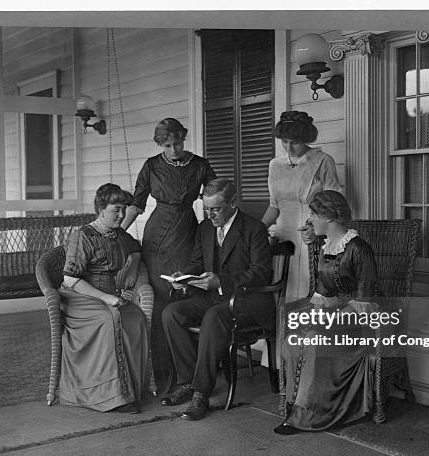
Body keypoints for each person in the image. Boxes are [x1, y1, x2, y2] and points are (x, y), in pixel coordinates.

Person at [160, 178, 275, 421]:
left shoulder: (253, 229)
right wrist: (184, 276)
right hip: (215, 298)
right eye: (206, 209)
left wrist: (222, 281)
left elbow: (261, 272)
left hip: (248, 302)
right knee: (172, 313)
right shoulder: (204, 228)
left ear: (233, 203)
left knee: (214, 317)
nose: (210, 215)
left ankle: (202, 394)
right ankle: (188, 382)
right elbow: (198, 263)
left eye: (216, 209)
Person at [275, 190, 379, 435]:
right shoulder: (327, 248)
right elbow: (322, 295)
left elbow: (365, 301)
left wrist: (331, 315)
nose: (310, 219)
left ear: (329, 217)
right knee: (296, 334)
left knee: (312, 338)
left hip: (360, 324)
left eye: (313, 214)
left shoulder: (359, 249)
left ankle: (308, 416)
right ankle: (295, 407)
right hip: (338, 318)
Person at [121, 118, 216, 383]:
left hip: (186, 232)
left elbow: (214, 199)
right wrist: (119, 233)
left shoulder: (200, 165)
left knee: (183, 290)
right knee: (158, 296)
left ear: (184, 138)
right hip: (156, 234)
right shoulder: (151, 165)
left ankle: (189, 367)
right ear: (160, 144)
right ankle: (161, 369)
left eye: (177, 143)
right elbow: (136, 203)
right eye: (167, 145)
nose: (173, 150)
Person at [60, 183, 150, 413]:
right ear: (101, 209)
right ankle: (111, 397)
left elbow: (136, 249)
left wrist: (131, 272)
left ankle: (131, 388)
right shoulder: (83, 236)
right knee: (109, 318)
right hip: (80, 298)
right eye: (116, 210)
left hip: (109, 295)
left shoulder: (118, 235)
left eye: (123, 210)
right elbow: (71, 280)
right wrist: (107, 299)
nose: (121, 215)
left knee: (135, 317)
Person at [261, 110, 343, 299]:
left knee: (306, 288)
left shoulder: (322, 161)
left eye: (295, 142)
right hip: (281, 237)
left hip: (311, 235)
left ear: (305, 138)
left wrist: (316, 231)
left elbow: (333, 205)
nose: (289, 147)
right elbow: (274, 206)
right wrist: (257, 230)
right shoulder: (275, 164)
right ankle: (281, 328)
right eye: (284, 141)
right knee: (279, 287)